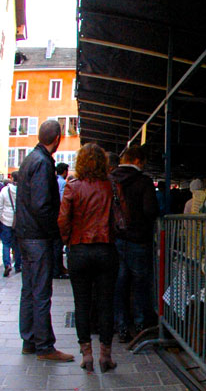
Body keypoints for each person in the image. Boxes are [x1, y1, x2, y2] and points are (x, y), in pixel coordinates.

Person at [14, 119, 74, 361]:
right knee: (40, 291)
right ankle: (44, 346)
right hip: (38, 237)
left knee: (29, 289)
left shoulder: (30, 159)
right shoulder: (42, 163)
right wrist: (55, 231)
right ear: (57, 139)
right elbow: (42, 205)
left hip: (26, 235)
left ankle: (29, 340)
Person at [58, 143, 119, 373]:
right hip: (106, 249)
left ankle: (87, 356)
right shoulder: (111, 186)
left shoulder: (72, 187)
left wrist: (69, 240)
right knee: (106, 303)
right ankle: (106, 356)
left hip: (79, 250)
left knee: (81, 304)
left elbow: (63, 220)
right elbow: (122, 217)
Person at [111, 145, 159, 342]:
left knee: (119, 284)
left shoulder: (111, 179)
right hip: (140, 240)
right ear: (139, 161)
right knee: (140, 284)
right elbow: (150, 210)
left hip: (116, 239)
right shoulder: (144, 181)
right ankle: (140, 325)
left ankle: (121, 327)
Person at [0, 171, 21, 276]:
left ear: (12, 178)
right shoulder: (22, 190)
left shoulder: (5, 190)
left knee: (6, 244)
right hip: (18, 221)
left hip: (6, 220)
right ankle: (18, 265)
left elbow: (0, 206)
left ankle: (7, 264)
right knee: (17, 244)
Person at [53, 161, 70, 278]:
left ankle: (57, 268)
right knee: (58, 246)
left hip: (53, 216)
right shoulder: (63, 183)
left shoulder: (54, 181)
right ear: (65, 172)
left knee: (56, 246)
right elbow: (63, 201)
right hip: (59, 217)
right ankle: (57, 270)